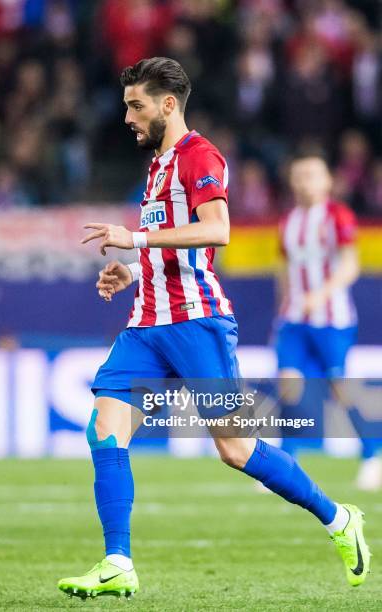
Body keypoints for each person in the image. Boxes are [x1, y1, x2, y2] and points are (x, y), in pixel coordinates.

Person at [57, 58, 370, 599]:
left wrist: (134, 241)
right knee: (104, 429)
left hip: (197, 323)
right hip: (147, 325)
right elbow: (180, 246)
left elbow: (217, 230)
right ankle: (117, 562)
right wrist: (131, 271)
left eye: (137, 105)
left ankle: (338, 519)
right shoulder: (156, 167)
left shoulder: (200, 156)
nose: (128, 116)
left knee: (235, 448)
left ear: (168, 104)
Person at [275, 152, 381, 490]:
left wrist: (320, 296)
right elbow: (284, 269)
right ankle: (285, 463)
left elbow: (350, 265)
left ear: (327, 182)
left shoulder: (338, 215)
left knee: (340, 388)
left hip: (332, 319)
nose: (305, 181)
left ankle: (372, 455)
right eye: (300, 174)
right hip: (294, 320)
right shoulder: (287, 221)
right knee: (288, 384)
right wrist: (283, 308)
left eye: (312, 174)